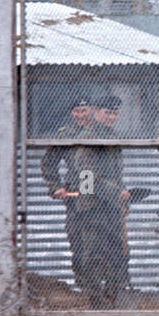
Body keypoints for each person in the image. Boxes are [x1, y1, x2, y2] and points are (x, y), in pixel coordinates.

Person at [41, 93, 98, 300]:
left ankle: (105, 290)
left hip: (101, 198)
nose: (81, 114)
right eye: (77, 111)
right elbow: (48, 162)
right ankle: (86, 289)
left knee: (102, 245)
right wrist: (56, 186)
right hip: (76, 200)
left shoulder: (100, 132)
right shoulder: (65, 134)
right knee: (78, 244)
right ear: (72, 113)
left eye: (84, 110)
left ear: (92, 110)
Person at [89, 95, 132, 307]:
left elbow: (117, 174)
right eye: (107, 112)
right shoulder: (89, 136)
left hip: (112, 205)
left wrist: (121, 196)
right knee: (96, 254)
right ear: (96, 112)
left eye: (114, 113)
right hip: (92, 207)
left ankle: (112, 296)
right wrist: (116, 191)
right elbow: (87, 176)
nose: (111, 117)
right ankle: (96, 302)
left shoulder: (113, 137)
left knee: (119, 251)